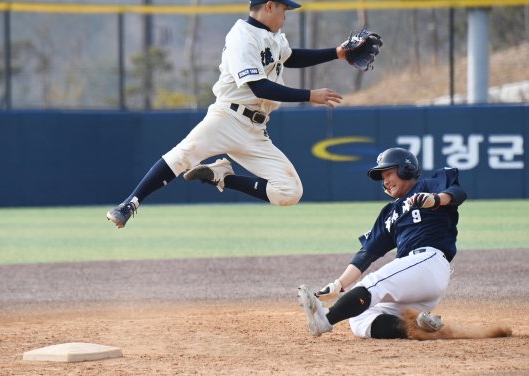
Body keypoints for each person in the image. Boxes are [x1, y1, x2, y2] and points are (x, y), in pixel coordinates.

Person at [107, 0, 379, 228]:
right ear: (269, 6)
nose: (286, 14)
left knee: (290, 192)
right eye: (285, 9)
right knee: (183, 154)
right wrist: (309, 95)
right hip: (227, 118)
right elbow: (258, 86)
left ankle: (223, 177)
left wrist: (337, 53)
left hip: (255, 130)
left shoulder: (273, 36)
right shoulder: (241, 37)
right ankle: (129, 204)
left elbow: (290, 57)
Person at [297, 147, 468, 339]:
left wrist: (436, 200)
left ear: (407, 170)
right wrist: (338, 285)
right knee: (361, 318)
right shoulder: (389, 213)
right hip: (412, 281)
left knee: (373, 283)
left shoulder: (427, 186)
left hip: (429, 263)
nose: (385, 181)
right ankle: (416, 328)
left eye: (388, 173)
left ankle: (325, 319)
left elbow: (457, 192)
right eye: (382, 177)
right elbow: (366, 254)